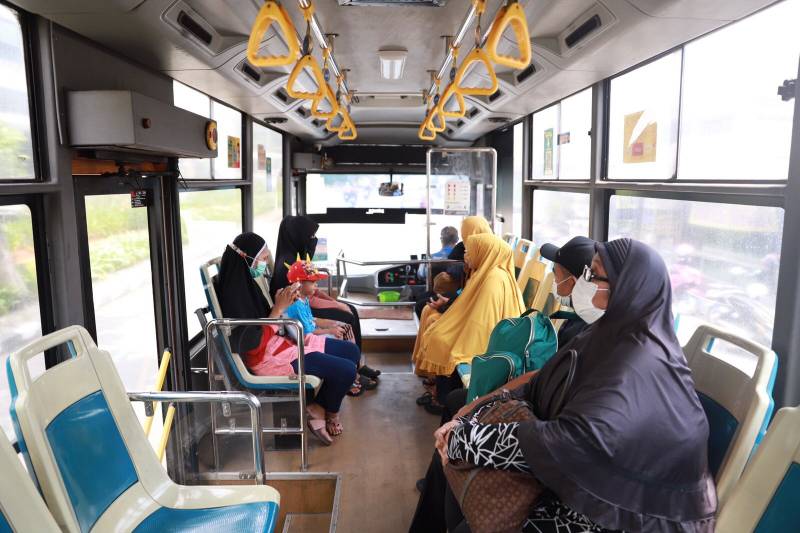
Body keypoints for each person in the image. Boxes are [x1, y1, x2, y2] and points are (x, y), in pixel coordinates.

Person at [412, 239, 717, 532]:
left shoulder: (639, 365)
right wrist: (473, 415)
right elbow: (540, 383)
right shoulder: (605, 336)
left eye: (594, 275)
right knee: (459, 472)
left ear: (626, 289)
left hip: (633, 512)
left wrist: (466, 440)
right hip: (597, 479)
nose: (586, 281)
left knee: (467, 490)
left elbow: (571, 442)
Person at [217, 232, 361, 445]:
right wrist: (278, 309)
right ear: (247, 258)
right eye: (263, 258)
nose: (265, 263)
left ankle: (319, 407)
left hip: (280, 344)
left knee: (351, 352)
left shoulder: (248, 286)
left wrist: (279, 305)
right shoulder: (235, 298)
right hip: (268, 358)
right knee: (346, 370)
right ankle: (327, 410)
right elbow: (251, 344)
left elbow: (266, 320)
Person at [413, 233, 525, 413]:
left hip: (490, 337)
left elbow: (482, 321)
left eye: (470, 251)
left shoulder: (493, 279)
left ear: (483, 252)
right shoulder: (486, 273)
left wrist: (456, 332)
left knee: (444, 341)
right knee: (439, 334)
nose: (465, 256)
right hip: (485, 329)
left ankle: (443, 401)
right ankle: (442, 396)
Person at [271, 215, 381, 383]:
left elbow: (313, 291)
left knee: (349, 309)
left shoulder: (297, 255)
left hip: (306, 303)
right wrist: (337, 306)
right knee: (347, 315)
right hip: (298, 307)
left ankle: (356, 364)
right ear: (299, 235)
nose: (313, 240)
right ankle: (353, 368)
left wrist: (335, 302)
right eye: (310, 236)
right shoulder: (288, 264)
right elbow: (307, 297)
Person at [414, 216, 492, 319]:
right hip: (461, 292)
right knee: (425, 307)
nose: (466, 255)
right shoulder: (465, 249)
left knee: (423, 308)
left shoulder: (488, 266)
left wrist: (450, 301)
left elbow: (421, 274)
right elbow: (467, 287)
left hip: (466, 299)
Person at [539, 236, 596, 347]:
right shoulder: (587, 319)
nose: (554, 280)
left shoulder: (575, 334)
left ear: (571, 283)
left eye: (555, 273)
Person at [283, 255, 353, 341]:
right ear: (299, 283)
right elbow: (308, 332)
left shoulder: (304, 299)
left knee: (346, 327)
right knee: (342, 335)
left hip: (314, 331)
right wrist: (330, 331)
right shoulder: (297, 305)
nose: (316, 285)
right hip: (309, 339)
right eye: (313, 282)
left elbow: (311, 320)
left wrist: (331, 324)